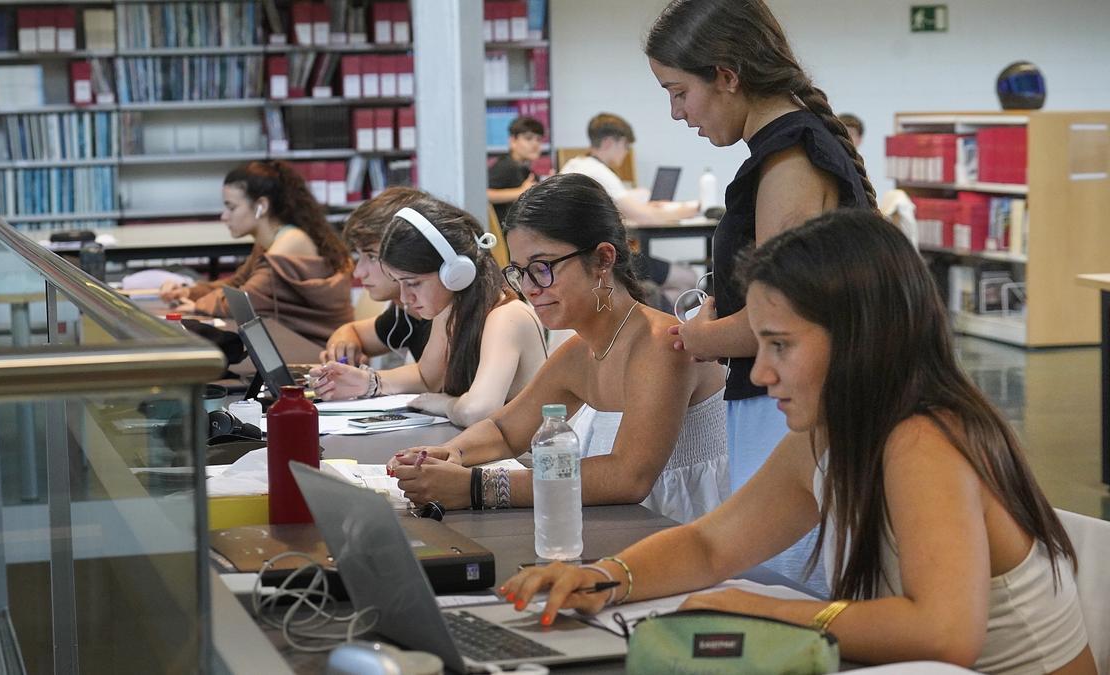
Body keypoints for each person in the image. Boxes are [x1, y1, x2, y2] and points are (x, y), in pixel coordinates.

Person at [500, 211, 1094, 675]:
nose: (760, 373)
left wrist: (766, 612)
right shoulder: (833, 432)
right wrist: (607, 577)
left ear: (858, 337)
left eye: (780, 345)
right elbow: (712, 546)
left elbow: (945, 632)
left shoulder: (923, 440)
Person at [645, 0, 878, 589]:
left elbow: (776, 320)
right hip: (779, 407)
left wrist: (697, 336)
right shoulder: (783, 152)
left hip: (793, 410)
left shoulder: (790, 160)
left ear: (726, 76)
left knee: (793, 582)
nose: (676, 113)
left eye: (678, 92)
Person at [387, 174, 728, 524]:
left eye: (542, 268)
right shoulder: (580, 352)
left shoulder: (663, 344)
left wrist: (477, 486)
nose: (531, 288)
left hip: (689, 534)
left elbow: (629, 476)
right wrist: (446, 454)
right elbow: (505, 431)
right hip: (631, 527)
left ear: (602, 259)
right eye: (520, 271)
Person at [311, 196, 547, 428]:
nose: (404, 298)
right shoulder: (452, 308)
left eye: (413, 283)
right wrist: (367, 382)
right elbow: (426, 378)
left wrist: (444, 404)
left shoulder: (507, 317)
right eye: (398, 282)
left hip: (522, 461)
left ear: (455, 273)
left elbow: (477, 411)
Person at [160, 160, 353, 347]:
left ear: (262, 205)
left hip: (316, 351)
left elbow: (245, 300)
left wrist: (196, 306)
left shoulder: (289, 242)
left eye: (231, 207)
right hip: (296, 344)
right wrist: (189, 292)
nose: (224, 216)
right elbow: (235, 284)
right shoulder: (269, 242)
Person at [320, 186, 433, 366]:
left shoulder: (445, 315)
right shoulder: (406, 312)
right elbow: (351, 330)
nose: (358, 272)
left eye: (372, 256)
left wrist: (367, 381)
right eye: (360, 256)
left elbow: (428, 379)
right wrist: (344, 346)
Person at [560, 113, 699, 226]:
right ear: (608, 143)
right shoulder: (598, 172)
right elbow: (646, 218)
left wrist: (642, 204)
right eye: (626, 146)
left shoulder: (575, 164)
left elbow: (618, 203)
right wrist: (691, 209)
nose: (626, 152)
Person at [487, 116, 547, 226]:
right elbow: (485, 194)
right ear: (513, 141)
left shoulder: (524, 169)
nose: (535, 144)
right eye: (528, 138)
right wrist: (520, 192)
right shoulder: (506, 166)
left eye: (538, 139)